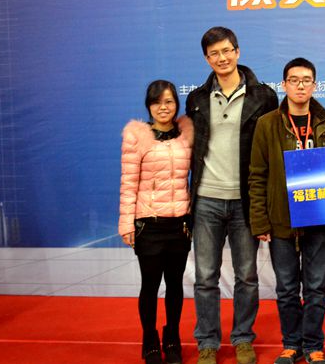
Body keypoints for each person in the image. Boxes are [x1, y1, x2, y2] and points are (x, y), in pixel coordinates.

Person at [187, 27, 278, 364]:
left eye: (227, 51)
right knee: (205, 277)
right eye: (214, 53)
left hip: (245, 200)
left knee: (247, 276)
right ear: (206, 58)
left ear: (237, 51)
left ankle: (242, 338)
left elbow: (269, 151)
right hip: (206, 199)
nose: (222, 58)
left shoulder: (264, 96)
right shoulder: (197, 99)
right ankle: (207, 342)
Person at [249, 58, 325, 364]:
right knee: (287, 289)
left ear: (315, 85)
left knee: (316, 288)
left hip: (319, 220)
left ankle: (313, 345)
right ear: (284, 85)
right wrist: (260, 220)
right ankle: (291, 344)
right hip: (281, 220)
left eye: (306, 80)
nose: (300, 86)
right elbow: (257, 174)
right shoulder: (267, 124)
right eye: (294, 80)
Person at [119, 80, 194, 364]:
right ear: (149, 106)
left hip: (180, 224)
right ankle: (149, 339)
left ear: (177, 104)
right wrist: (127, 224)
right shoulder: (137, 137)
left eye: (169, 101)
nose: (163, 107)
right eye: (157, 102)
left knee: (175, 285)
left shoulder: (187, 136)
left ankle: (172, 337)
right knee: (150, 286)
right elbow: (128, 183)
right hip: (148, 224)